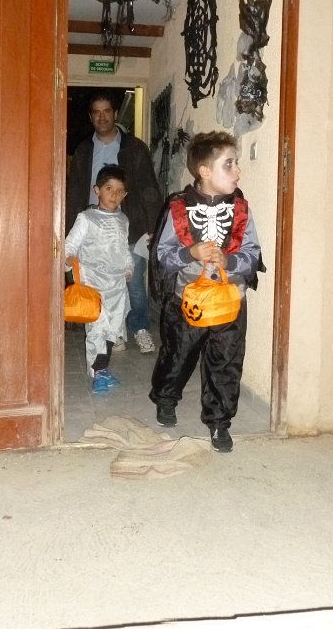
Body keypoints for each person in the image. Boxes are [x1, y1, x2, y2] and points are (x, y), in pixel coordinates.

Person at [148, 131, 264, 452]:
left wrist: (231, 260)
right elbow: (162, 255)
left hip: (230, 300)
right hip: (188, 300)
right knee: (178, 354)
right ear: (205, 171)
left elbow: (253, 253)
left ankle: (219, 422)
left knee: (226, 360)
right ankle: (166, 397)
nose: (238, 171)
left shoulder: (241, 209)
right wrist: (190, 253)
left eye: (236, 163)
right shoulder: (177, 208)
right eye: (229, 164)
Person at [66, 90, 163, 354]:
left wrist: (154, 227)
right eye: (96, 112)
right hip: (94, 230)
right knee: (101, 286)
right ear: (90, 117)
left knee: (133, 283)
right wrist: (71, 231)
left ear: (115, 114)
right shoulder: (84, 150)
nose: (102, 117)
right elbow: (74, 191)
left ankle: (139, 328)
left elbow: (149, 188)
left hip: (130, 228)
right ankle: (111, 331)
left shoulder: (135, 148)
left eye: (106, 111)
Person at [65, 165, 134, 393]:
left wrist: (129, 267)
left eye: (119, 191)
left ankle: (103, 368)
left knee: (113, 328)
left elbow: (124, 248)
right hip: (93, 284)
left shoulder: (123, 219)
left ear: (125, 194)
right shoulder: (86, 218)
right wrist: (68, 258)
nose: (114, 195)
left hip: (117, 285)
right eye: (108, 189)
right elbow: (70, 245)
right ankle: (97, 372)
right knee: (97, 329)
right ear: (97, 190)